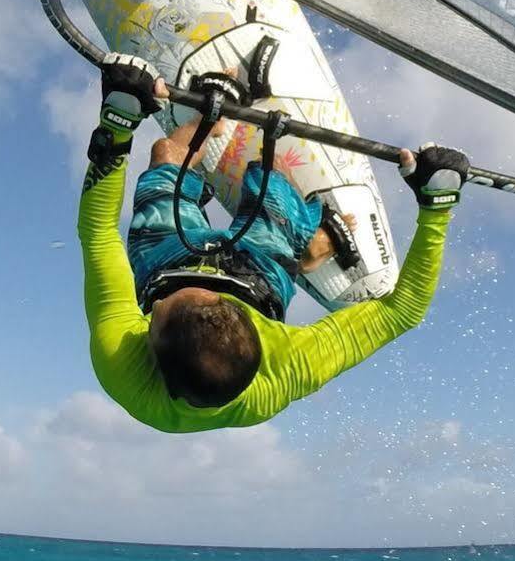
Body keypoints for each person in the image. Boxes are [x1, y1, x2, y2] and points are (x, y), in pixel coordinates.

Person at [78, 54, 467, 432]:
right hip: (255, 279)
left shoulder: (121, 358)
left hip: (163, 266)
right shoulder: (284, 370)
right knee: (271, 172)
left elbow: (98, 234)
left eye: (157, 311)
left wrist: (117, 124)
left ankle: (212, 122)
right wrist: (436, 208)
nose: (159, 304)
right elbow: (404, 312)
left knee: (165, 154)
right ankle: (313, 249)